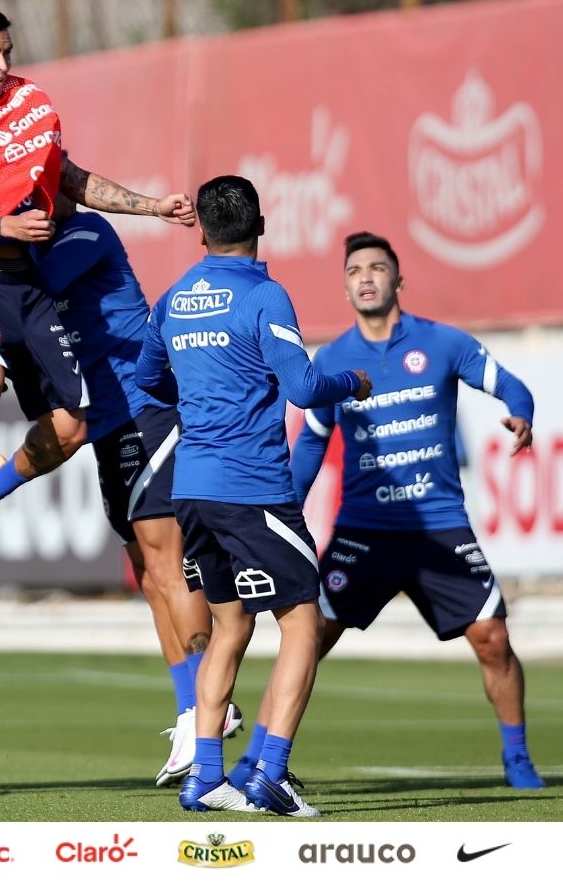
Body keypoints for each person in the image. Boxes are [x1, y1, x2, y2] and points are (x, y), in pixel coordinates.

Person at [0, 1, 196, 623]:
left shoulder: (30, 102)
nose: (3, 63)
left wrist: (149, 207)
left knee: (70, 429)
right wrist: (5, 223)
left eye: (7, 51)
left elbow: (69, 181)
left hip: (21, 279)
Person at [135, 176, 371, 818]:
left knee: (229, 627)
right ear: (260, 224)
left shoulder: (176, 298)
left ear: (202, 231)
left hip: (193, 489)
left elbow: (147, 379)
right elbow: (302, 387)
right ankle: (270, 773)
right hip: (254, 487)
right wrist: (353, 379)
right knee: (303, 622)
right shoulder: (266, 295)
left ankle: (205, 777)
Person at [288, 230, 544, 790]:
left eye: (377, 268)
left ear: (398, 280)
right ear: (345, 286)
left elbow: (510, 384)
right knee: (307, 638)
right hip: (363, 533)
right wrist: (287, 507)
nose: (366, 278)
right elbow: (311, 441)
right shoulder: (332, 360)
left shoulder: (444, 343)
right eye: (355, 270)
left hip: (439, 528)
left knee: (494, 640)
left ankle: (518, 758)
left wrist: (520, 414)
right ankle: (267, 759)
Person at [33, 195, 242, 787]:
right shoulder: (31, 246)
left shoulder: (82, 233)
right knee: (148, 576)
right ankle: (188, 708)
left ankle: (212, 705)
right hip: (105, 421)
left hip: (144, 413)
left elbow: (38, 280)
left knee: (167, 563)